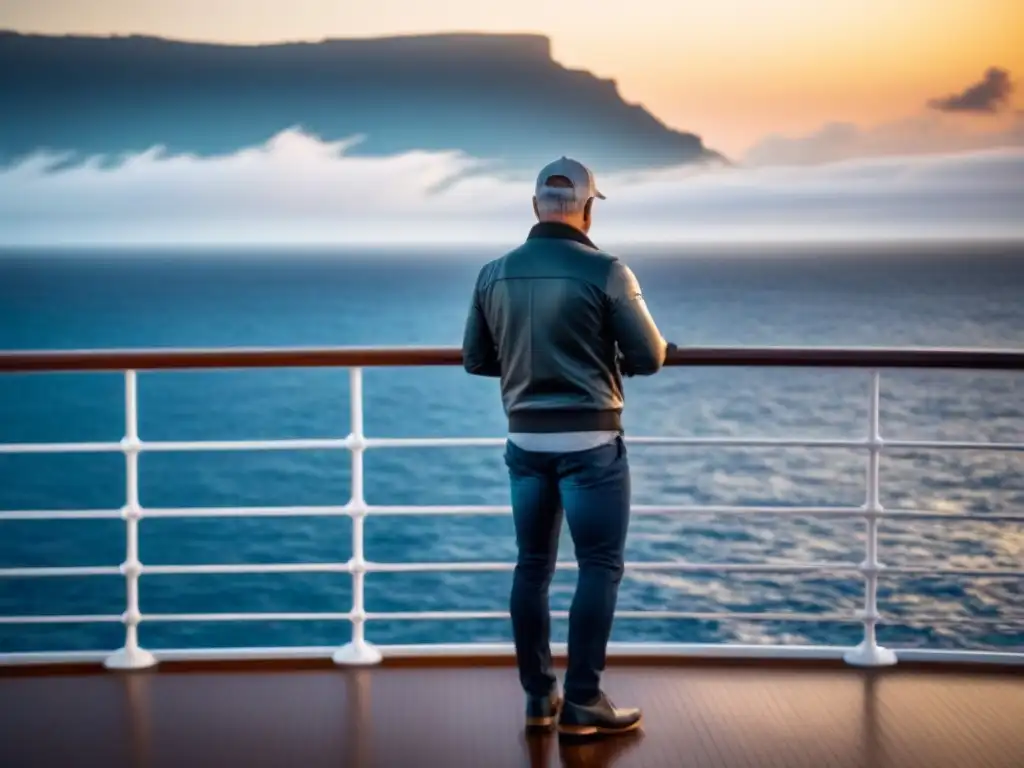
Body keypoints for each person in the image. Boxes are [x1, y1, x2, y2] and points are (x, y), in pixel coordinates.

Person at [461, 157, 671, 738]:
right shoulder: (608, 271)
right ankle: (583, 701)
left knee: (532, 567)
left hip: (524, 439)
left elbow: (477, 360)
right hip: (592, 443)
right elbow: (650, 357)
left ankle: (537, 698)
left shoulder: (492, 273)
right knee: (598, 567)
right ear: (587, 208)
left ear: (534, 208)